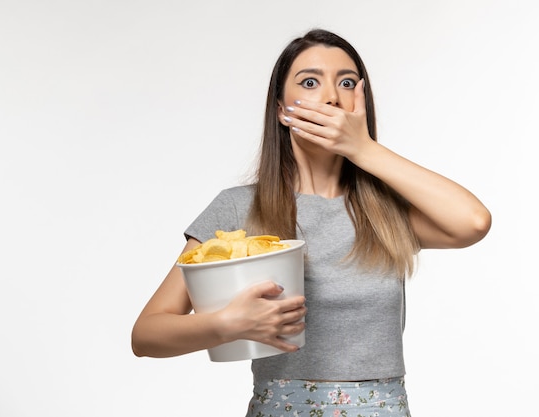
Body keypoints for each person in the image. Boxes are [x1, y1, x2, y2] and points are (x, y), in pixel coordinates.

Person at [131, 28, 492, 416]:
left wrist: (362, 147)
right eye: (309, 82)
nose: (332, 96)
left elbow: (472, 221)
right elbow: (147, 334)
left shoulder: (388, 212)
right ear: (281, 110)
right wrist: (227, 323)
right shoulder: (239, 208)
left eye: (348, 83)